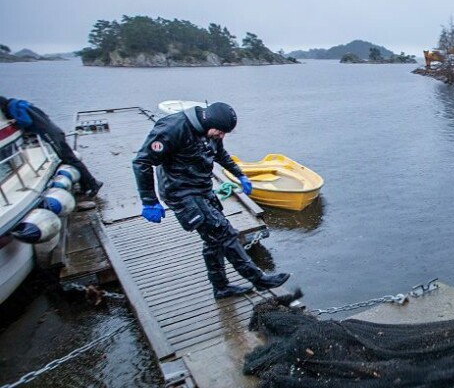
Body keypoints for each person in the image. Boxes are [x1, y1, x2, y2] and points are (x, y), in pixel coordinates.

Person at [132, 102, 290, 299]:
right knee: (225, 233)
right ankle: (259, 279)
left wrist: (240, 174)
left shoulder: (211, 132)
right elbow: (142, 161)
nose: (222, 136)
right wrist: (149, 200)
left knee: (213, 240)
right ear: (209, 122)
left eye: (225, 133)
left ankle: (221, 287)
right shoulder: (172, 128)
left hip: (203, 188)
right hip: (180, 193)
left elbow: (220, 154)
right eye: (221, 131)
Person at [0, 96, 103, 196]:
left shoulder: (12, 107)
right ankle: (85, 186)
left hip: (50, 135)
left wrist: (15, 123)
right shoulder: (21, 104)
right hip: (54, 131)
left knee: (70, 159)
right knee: (69, 159)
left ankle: (93, 184)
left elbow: (26, 121)